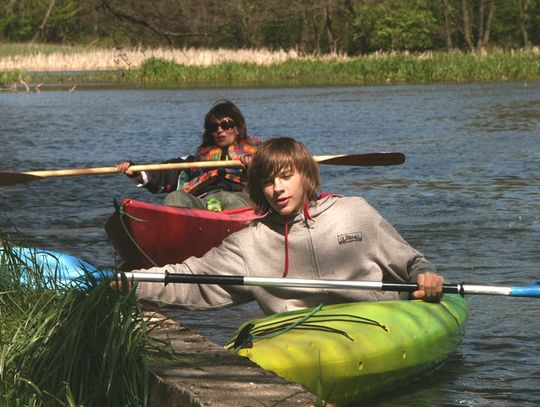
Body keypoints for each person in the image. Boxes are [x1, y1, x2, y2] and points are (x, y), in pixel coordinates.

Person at [133, 137, 444, 316]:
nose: (277, 189)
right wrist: (127, 282)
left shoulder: (355, 213)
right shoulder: (248, 243)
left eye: (286, 177)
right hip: (302, 335)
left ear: (306, 177)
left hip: (378, 324)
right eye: (268, 182)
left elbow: (412, 262)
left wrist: (424, 276)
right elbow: (190, 279)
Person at [117, 100, 261, 210]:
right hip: (203, 200)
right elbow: (165, 173)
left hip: (238, 199)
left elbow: (274, 176)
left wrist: (254, 168)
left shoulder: (260, 155)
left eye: (227, 125)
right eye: (213, 127)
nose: (220, 130)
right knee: (175, 197)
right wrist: (135, 172)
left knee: (230, 200)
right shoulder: (196, 159)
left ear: (238, 127)